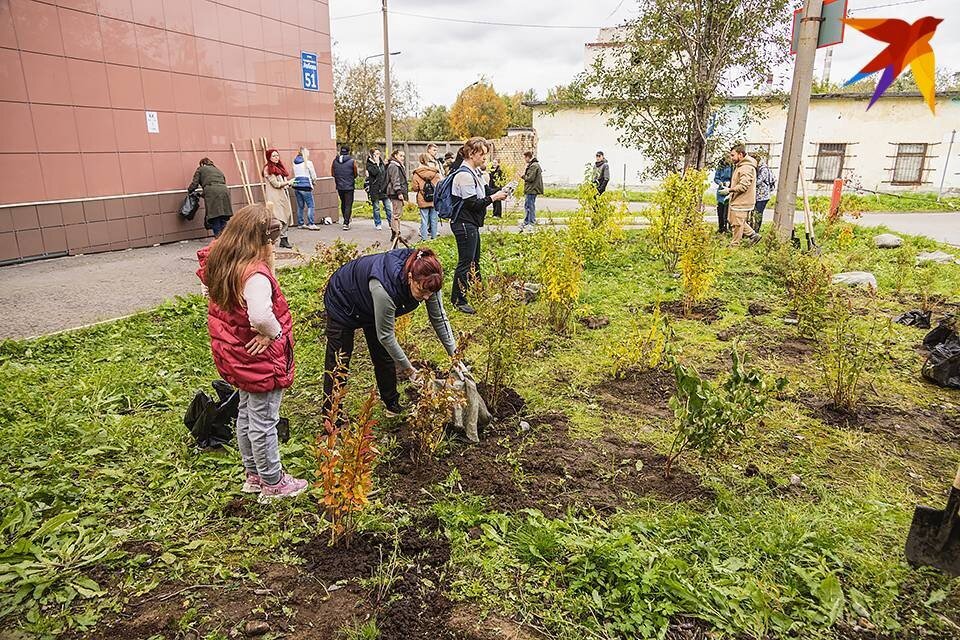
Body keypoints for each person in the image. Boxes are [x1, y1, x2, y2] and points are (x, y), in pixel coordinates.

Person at [196, 204, 307, 501]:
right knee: (263, 420)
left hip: (235, 355)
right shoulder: (254, 275)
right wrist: (275, 334)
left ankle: (254, 475)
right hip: (258, 359)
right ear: (263, 240)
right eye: (271, 240)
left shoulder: (223, 263)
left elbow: (212, 297)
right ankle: (273, 482)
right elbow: (260, 316)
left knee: (246, 413)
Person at [323, 247, 459, 416]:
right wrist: (410, 371)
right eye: (422, 291)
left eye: (430, 293)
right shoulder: (385, 288)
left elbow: (438, 318)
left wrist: (456, 357)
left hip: (370, 303)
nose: (426, 297)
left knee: (384, 356)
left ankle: (392, 404)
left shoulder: (429, 278)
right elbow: (386, 336)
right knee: (339, 362)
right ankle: (331, 417)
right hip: (343, 299)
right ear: (410, 278)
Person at [449, 137, 508, 314]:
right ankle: (458, 300)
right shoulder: (464, 175)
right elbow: (473, 203)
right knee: (466, 263)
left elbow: (485, 191)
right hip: (464, 224)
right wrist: (494, 198)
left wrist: (501, 190)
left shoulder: (474, 172)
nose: (485, 158)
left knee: (474, 262)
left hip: (471, 224)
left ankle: (478, 292)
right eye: (482, 154)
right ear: (471, 153)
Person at [720, 144, 762, 246]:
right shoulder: (741, 166)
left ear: (740, 154)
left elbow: (743, 186)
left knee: (737, 224)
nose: (731, 158)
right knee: (733, 220)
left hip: (742, 201)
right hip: (738, 199)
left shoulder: (746, 168)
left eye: (733, 155)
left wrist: (730, 190)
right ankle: (753, 235)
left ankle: (734, 245)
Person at [188, 158, 232, 237]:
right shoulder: (218, 170)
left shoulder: (201, 169)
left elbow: (195, 184)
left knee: (214, 216)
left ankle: (218, 238)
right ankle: (224, 238)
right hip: (224, 191)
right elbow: (220, 182)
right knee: (222, 215)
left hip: (212, 192)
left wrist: (190, 190)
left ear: (202, 164)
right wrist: (202, 194)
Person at [263, 149, 294, 249]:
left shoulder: (278, 167)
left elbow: (282, 182)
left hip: (283, 196)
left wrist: (289, 184)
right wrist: (289, 182)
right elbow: (275, 184)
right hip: (275, 197)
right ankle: (273, 240)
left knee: (286, 216)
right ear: (269, 157)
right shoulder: (268, 169)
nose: (276, 158)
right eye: (273, 156)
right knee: (279, 218)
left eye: (277, 155)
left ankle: (283, 239)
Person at [411, 152, 441, 241]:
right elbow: (439, 186)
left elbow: (415, 188)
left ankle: (424, 238)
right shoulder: (435, 172)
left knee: (424, 219)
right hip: (433, 199)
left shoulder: (417, 173)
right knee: (434, 219)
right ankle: (434, 237)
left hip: (422, 199)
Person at [332, 145, 358, 231]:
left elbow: (332, 173)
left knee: (343, 203)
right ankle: (346, 222)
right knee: (348, 204)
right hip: (349, 186)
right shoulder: (352, 161)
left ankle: (345, 219)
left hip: (339, 186)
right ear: (348, 151)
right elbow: (355, 173)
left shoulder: (335, 161)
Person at [385, 149, 408, 243]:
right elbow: (395, 180)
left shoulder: (397, 165)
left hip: (395, 192)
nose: (403, 158)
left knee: (397, 214)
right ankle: (396, 234)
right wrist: (399, 192)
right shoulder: (394, 166)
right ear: (395, 155)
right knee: (396, 215)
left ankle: (397, 233)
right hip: (395, 192)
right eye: (401, 156)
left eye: (403, 156)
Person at [292, 147, 318, 230]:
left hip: (296, 186)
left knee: (300, 206)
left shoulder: (294, 162)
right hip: (305, 186)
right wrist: (314, 181)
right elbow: (313, 176)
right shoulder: (308, 163)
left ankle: (301, 223)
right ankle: (311, 223)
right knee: (311, 205)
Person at [751, 151, 776, 232]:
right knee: (755, 212)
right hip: (758, 195)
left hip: (763, 196)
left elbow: (759, 181)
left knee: (759, 213)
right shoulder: (759, 167)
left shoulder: (763, 169)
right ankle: (753, 229)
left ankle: (756, 230)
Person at [365, 149, 389, 231]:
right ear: (372, 155)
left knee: (388, 207)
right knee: (376, 208)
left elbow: (384, 173)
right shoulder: (369, 164)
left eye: (379, 153)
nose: (378, 155)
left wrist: (384, 165)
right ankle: (378, 223)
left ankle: (391, 223)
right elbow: (375, 173)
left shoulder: (382, 163)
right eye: (376, 154)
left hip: (383, 188)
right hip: (374, 189)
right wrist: (376, 163)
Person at [521, 151, 543, 231]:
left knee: (530, 206)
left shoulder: (534, 166)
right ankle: (527, 222)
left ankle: (531, 222)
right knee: (527, 205)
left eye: (525, 157)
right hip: (531, 189)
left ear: (528, 157)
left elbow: (530, 178)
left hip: (532, 189)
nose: (524, 159)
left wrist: (523, 176)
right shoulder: (533, 165)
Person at [714, 157, 733, 234]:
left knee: (727, 211)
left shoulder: (733, 167)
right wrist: (720, 183)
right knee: (720, 210)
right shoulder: (720, 167)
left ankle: (727, 228)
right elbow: (716, 178)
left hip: (730, 190)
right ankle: (721, 228)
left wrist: (730, 183)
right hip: (721, 190)